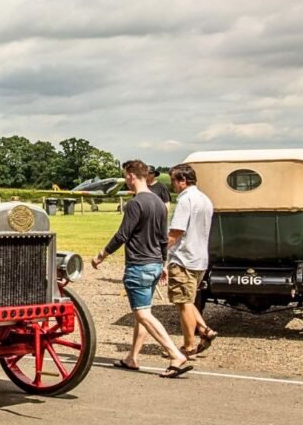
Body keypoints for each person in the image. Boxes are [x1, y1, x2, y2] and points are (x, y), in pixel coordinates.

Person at [92, 160, 191, 378]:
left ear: (130, 175)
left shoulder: (135, 204)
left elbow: (122, 235)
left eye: (125, 176)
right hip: (155, 263)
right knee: (143, 312)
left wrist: (101, 255)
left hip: (139, 264)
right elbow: (163, 238)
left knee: (143, 314)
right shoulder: (159, 202)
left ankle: (175, 354)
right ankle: (132, 357)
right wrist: (163, 263)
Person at [167, 163, 218, 357]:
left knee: (183, 303)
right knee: (188, 300)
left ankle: (188, 347)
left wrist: (160, 251)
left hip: (184, 258)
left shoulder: (185, 200)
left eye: (173, 180)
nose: (172, 184)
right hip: (200, 258)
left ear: (182, 180)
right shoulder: (205, 199)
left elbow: (176, 232)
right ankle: (205, 330)